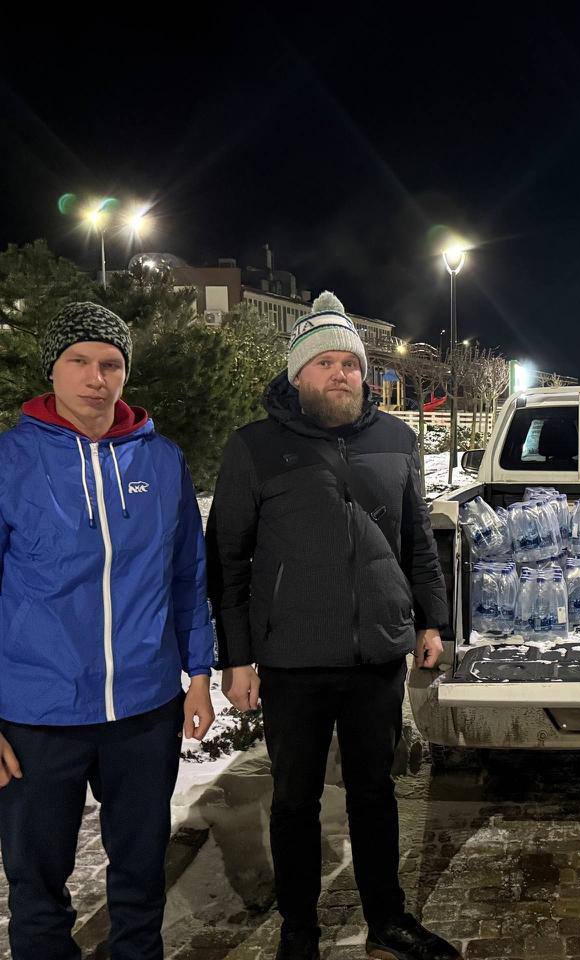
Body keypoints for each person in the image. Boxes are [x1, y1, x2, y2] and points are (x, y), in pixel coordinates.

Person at [207, 292, 458, 960]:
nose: (341, 374)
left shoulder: (396, 440)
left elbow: (417, 541)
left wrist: (432, 620)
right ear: (298, 374)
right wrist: (236, 657)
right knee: (295, 800)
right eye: (325, 363)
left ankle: (387, 921)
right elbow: (227, 559)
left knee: (376, 792)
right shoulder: (255, 447)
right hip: (292, 658)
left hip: (376, 654)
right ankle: (300, 931)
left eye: (350, 363)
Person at [0, 301, 215, 960]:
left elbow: (187, 575)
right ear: (53, 369)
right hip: (37, 715)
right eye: (80, 361)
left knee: (141, 875)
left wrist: (199, 674)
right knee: (37, 887)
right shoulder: (10, 461)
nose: (97, 378)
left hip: (143, 709)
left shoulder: (162, 461)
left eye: (111, 364)